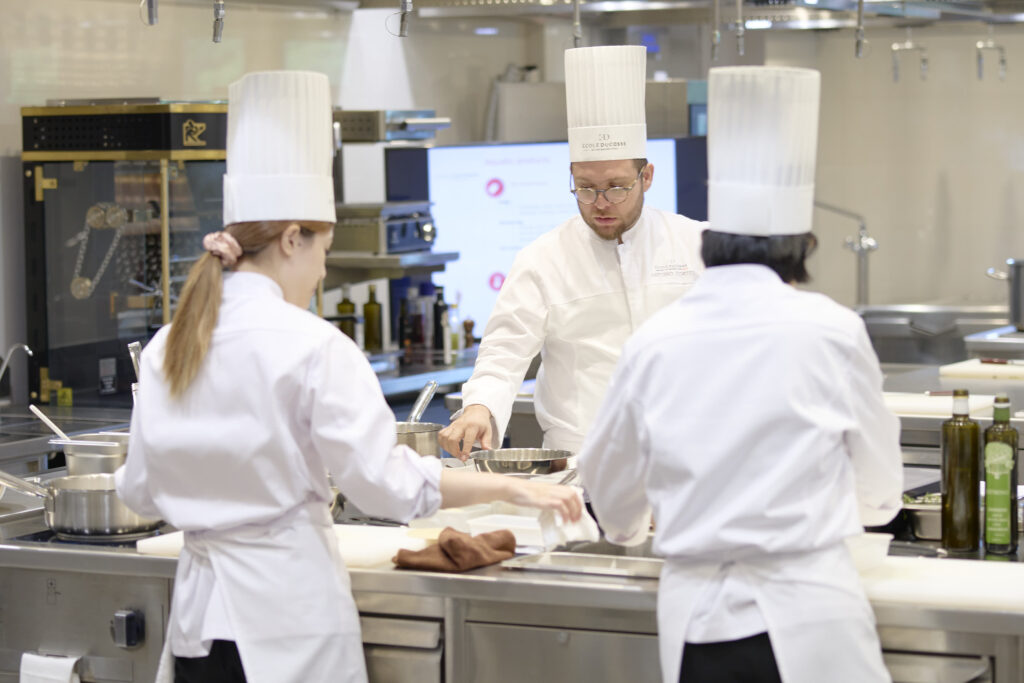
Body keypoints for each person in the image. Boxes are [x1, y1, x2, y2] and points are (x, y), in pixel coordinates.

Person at [114, 70, 581, 683]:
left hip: (201, 630)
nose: (322, 271)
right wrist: (510, 488)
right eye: (324, 251)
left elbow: (140, 490)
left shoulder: (168, 346)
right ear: (290, 239)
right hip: (288, 624)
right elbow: (383, 486)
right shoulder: (312, 346)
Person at [578, 66, 903, 683]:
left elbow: (612, 492)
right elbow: (881, 490)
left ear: (710, 241)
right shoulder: (831, 329)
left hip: (702, 626)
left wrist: (629, 525)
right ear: (801, 246)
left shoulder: (654, 343)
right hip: (815, 614)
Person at [439, 45, 705, 459]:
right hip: (582, 469)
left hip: (687, 459)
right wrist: (479, 406)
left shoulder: (697, 244)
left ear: (647, 177)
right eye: (584, 187)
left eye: (617, 187)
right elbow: (504, 351)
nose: (600, 203)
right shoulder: (543, 259)